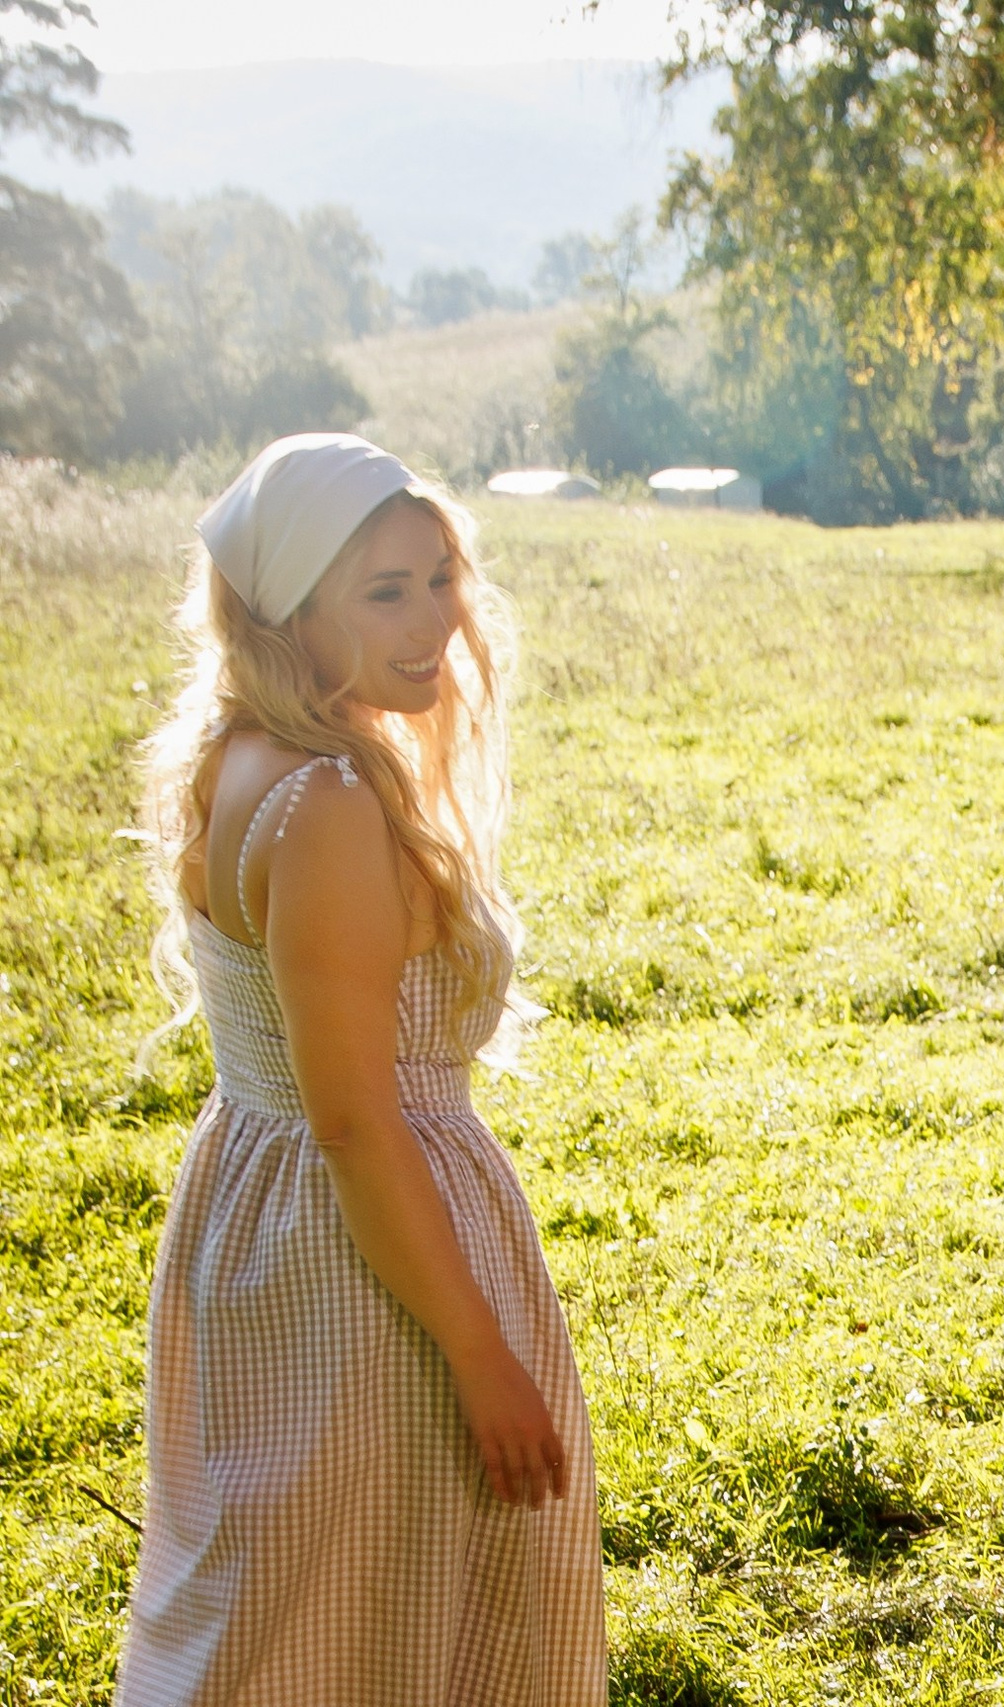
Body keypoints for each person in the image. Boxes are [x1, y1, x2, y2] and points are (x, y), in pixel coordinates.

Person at [122, 434, 605, 1703]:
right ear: (292, 609)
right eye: (384, 592)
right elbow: (353, 1121)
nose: (434, 619)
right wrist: (481, 1353)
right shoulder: (327, 801)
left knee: (281, 1600)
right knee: (374, 1611)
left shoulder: (242, 752)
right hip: (363, 1257)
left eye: (439, 577)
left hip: (261, 1217)